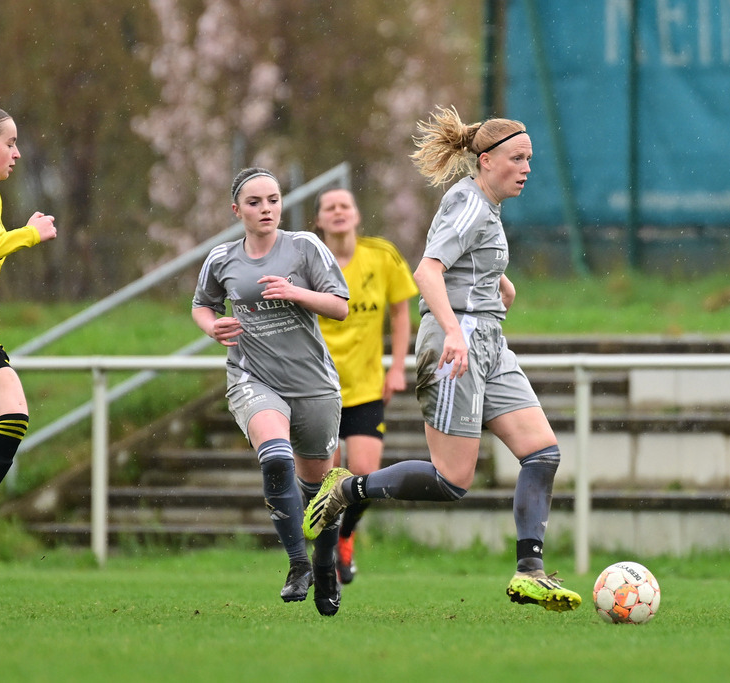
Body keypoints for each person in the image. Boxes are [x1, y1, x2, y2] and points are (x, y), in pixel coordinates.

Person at [303, 105, 581, 612]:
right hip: (459, 343)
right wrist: (454, 330)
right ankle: (348, 489)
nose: (526, 168)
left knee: (542, 453)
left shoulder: (487, 208)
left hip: (488, 340)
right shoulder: (469, 202)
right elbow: (427, 273)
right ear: (487, 160)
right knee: (451, 481)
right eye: (518, 159)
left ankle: (530, 573)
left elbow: (469, 267)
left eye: (530, 159)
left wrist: (499, 288)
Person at [192, 167, 349, 615]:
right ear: (236, 209)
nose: (267, 209)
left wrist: (296, 293)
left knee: (321, 494)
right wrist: (211, 326)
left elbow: (340, 306)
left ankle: (323, 566)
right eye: (256, 202)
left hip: (313, 385)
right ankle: (298, 563)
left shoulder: (304, 247)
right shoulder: (222, 258)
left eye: (274, 200)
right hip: (252, 377)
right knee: (276, 457)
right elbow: (202, 304)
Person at [312, 187, 418, 584]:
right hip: (317, 388)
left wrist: (397, 368)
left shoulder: (382, 256)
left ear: (356, 215)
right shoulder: (308, 257)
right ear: (319, 220)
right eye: (329, 207)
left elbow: (401, 312)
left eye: (345, 206)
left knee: (364, 475)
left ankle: (345, 536)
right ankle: (321, 556)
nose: (338, 212)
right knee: (325, 477)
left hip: (367, 387)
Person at [0, 104, 58, 587]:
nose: (18, 153)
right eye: (10, 143)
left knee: (13, 416)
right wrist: (25, 237)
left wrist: (15, 233)